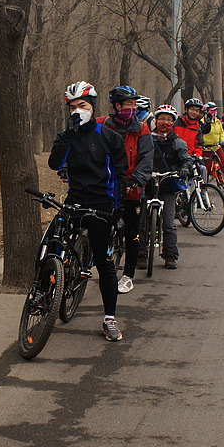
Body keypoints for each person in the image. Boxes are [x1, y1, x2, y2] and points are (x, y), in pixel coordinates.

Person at [49, 81, 128, 341]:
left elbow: (119, 176)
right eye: (72, 107)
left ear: (92, 108)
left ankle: (109, 319)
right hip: (74, 201)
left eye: (82, 106)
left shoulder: (109, 138)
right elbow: (53, 163)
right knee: (53, 243)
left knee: (104, 264)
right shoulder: (67, 136)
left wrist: (118, 213)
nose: (77, 110)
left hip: (102, 205)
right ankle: (51, 287)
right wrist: (70, 134)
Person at [100, 85, 153, 294]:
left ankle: (128, 275)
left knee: (133, 234)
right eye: (128, 104)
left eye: (134, 104)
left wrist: (137, 180)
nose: (132, 108)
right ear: (117, 105)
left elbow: (147, 158)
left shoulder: (142, 128)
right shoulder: (102, 124)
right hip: (106, 188)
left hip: (131, 190)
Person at [149, 105, 193, 269]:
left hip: (168, 186)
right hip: (149, 184)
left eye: (168, 119)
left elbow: (186, 160)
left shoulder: (178, 143)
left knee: (168, 222)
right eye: (161, 118)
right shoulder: (148, 139)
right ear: (156, 120)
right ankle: (141, 253)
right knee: (142, 221)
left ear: (173, 122)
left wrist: (183, 169)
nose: (164, 122)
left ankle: (170, 255)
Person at [200, 101, 224, 187]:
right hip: (206, 149)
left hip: (216, 147)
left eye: (215, 110)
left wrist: (222, 139)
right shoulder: (202, 122)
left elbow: (221, 132)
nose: (214, 112)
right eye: (212, 110)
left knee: (223, 163)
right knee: (206, 168)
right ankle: (205, 186)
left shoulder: (217, 121)